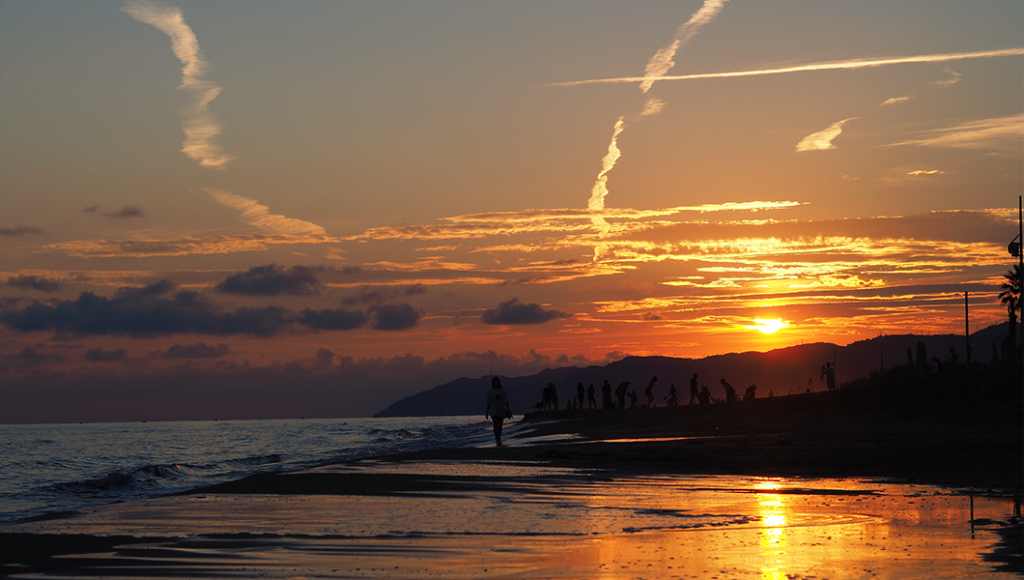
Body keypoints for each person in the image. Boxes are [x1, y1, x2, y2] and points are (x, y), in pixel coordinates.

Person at [485, 376, 513, 446]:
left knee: (500, 425)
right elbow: (488, 402)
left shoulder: (502, 391)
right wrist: (487, 412)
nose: (495, 383)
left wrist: (508, 409)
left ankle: (499, 438)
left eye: (496, 381)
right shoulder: (491, 391)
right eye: (494, 382)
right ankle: (497, 439)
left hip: (501, 409)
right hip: (493, 410)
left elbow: (506, 401)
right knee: (496, 423)